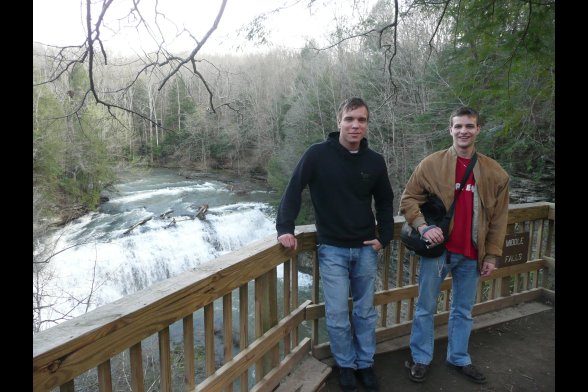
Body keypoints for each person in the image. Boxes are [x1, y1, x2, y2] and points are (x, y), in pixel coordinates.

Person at [276, 97, 394, 392]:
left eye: (361, 120)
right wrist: (284, 228)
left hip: (366, 248)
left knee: (365, 312)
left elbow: (385, 200)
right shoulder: (317, 155)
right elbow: (294, 188)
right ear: (339, 121)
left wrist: (385, 235)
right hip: (332, 249)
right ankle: (345, 366)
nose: (355, 125)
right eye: (350, 119)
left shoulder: (374, 161)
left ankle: (365, 365)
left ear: (367, 124)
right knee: (338, 314)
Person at [399, 106, 510, 385]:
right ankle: (421, 358)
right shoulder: (431, 164)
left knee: (463, 310)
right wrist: (424, 227)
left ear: (477, 130)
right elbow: (408, 200)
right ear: (450, 129)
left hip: (472, 254)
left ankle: (458, 357)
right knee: (425, 307)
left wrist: (492, 255)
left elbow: (499, 217)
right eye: (458, 126)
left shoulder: (495, 173)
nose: (463, 131)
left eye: (469, 126)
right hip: (438, 252)